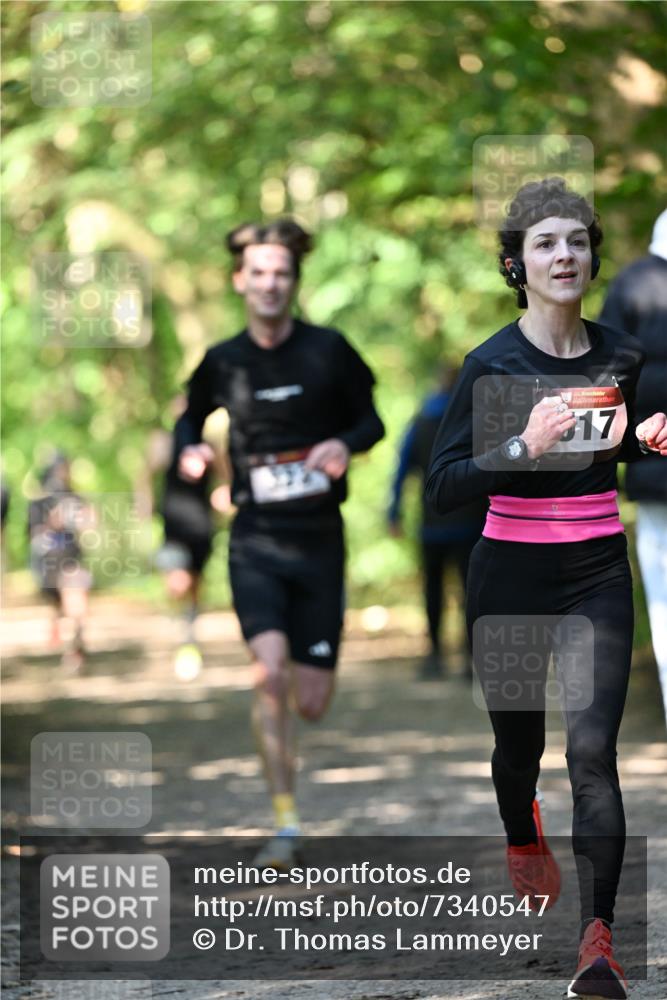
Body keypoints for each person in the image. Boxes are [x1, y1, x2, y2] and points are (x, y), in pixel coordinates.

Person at [426, 178, 667, 1000]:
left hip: (597, 568)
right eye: (544, 243)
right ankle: (518, 828)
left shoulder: (620, 357)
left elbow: (609, 449)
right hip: (510, 575)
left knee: (593, 756)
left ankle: (596, 945)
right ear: (515, 264)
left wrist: (643, 437)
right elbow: (442, 485)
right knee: (517, 752)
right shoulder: (490, 365)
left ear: (592, 255)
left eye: (575, 240)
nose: (563, 254)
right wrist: (521, 448)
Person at [173, 219, 384, 868]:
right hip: (256, 540)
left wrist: (341, 445)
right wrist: (189, 448)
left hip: (319, 542)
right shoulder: (224, 359)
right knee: (267, 675)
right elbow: (188, 413)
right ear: (240, 280)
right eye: (258, 273)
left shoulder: (329, 350)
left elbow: (371, 419)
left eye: (281, 274)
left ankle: (297, 716)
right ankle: (285, 823)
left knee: (311, 703)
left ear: (294, 282)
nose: (270, 284)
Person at [599, 209, 667, 726]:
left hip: (653, 470)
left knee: (664, 602)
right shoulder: (633, 284)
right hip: (652, 468)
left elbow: (605, 376)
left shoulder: (630, 285)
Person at [387, 366, 486, 678]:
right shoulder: (477, 420)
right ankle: (473, 660)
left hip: (432, 521)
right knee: (471, 591)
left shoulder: (420, 421)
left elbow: (402, 468)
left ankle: (434, 657)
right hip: (472, 523)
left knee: (433, 589)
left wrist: (394, 512)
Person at [150, 401, 232, 680]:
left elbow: (226, 477)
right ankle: (181, 627)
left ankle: (189, 632)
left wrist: (225, 493)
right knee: (178, 581)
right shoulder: (163, 441)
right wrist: (145, 502)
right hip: (173, 522)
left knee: (195, 583)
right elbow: (147, 473)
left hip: (201, 523)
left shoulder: (210, 445)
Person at [28, 452, 94, 672]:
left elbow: (89, 523)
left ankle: (75, 646)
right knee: (58, 604)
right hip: (48, 564)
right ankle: (61, 626)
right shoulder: (38, 503)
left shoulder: (75, 498)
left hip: (70, 560)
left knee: (76, 602)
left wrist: (84, 518)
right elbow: (33, 534)